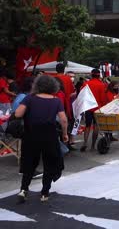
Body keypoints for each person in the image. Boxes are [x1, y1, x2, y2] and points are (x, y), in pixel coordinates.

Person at [15, 75, 68, 203]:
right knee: (49, 163)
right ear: (53, 86)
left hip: (31, 135)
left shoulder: (29, 98)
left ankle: (23, 189)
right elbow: (63, 120)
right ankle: (45, 193)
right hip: (49, 135)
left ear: (37, 85)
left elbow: (18, 114)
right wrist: (65, 134)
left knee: (29, 162)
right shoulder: (56, 101)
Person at [80, 69, 107, 152]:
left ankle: (85, 143)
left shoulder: (86, 84)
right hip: (98, 108)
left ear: (91, 75)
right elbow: (103, 99)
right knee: (96, 127)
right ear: (99, 75)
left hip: (88, 107)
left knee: (87, 126)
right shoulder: (102, 85)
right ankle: (92, 146)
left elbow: (82, 95)